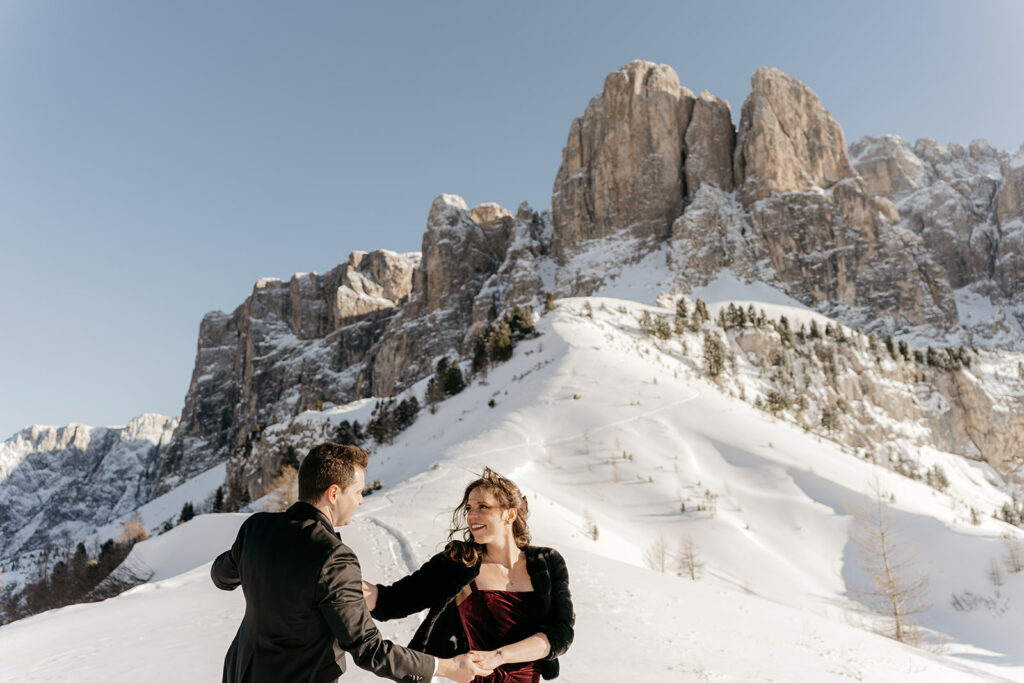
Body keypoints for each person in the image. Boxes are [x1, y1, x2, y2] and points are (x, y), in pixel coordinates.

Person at [211, 442, 490, 683]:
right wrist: (447, 666)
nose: (360, 501)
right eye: (357, 492)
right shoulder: (334, 558)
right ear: (334, 494)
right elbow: (369, 650)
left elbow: (221, 577)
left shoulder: (255, 529)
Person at [363, 468, 574, 682]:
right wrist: (343, 581)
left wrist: (499, 656)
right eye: (469, 508)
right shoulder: (460, 562)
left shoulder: (547, 562)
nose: (472, 515)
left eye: (483, 507)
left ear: (509, 514)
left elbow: (560, 633)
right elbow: (393, 601)